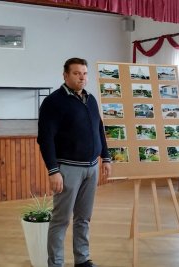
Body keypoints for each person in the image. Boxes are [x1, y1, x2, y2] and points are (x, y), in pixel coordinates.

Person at [37, 57, 112, 267]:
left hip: (92, 168)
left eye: (85, 73)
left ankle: (82, 260)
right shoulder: (53, 102)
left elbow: (99, 129)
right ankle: (56, 264)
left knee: (84, 219)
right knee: (61, 221)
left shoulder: (91, 99)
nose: (82, 77)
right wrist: (53, 170)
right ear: (65, 75)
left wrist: (105, 157)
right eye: (77, 73)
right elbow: (45, 139)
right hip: (67, 169)